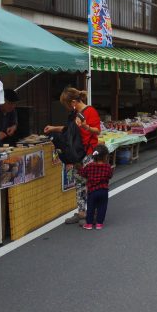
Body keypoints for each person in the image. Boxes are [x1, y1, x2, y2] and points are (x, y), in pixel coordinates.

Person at [44, 87, 101, 227]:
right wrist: (53, 128)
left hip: (88, 152)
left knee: (90, 183)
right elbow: (69, 130)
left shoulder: (90, 111)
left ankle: (93, 213)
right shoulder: (75, 113)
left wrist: (87, 127)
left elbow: (97, 131)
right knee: (80, 183)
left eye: (67, 104)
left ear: (74, 102)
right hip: (76, 153)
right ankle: (82, 213)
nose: (67, 107)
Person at [78, 144, 113, 230]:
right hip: (103, 191)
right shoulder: (107, 167)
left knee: (91, 207)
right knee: (102, 207)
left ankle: (89, 224)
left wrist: (78, 167)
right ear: (105, 156)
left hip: (92, 191)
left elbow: (83, 173)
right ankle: (99, 224)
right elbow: (110, 176)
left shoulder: (89, 166)